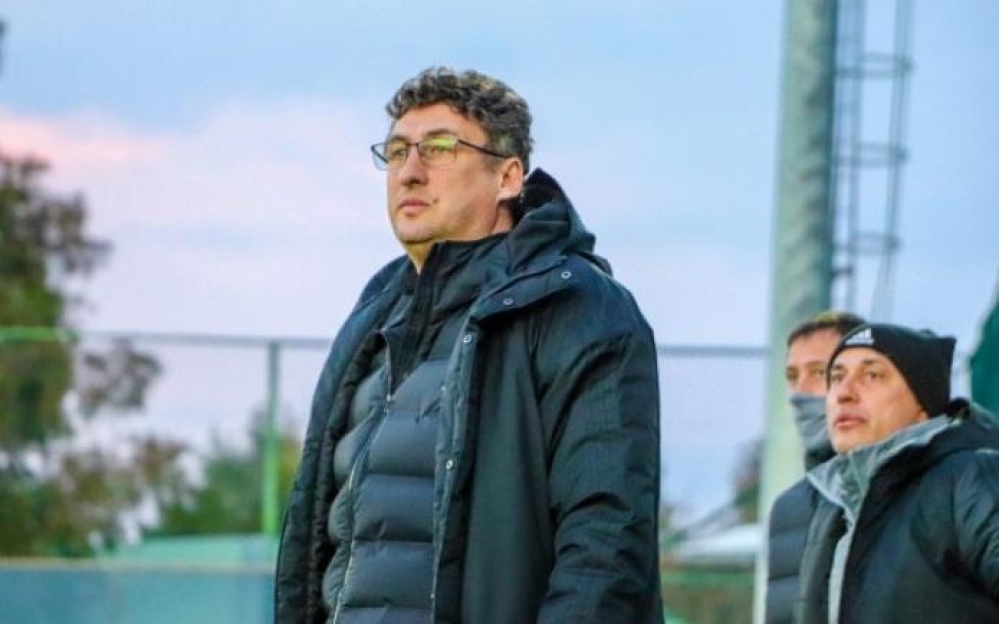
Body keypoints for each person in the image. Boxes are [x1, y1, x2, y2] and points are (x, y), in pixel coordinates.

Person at [274, 67, 664, 624]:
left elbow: (605, 544)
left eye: (439, 149)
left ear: (507, 176)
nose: (410, 172)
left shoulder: (580, 309)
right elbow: (313, 542)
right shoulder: (372, 316)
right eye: (397, 151)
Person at [796, 322, 998, 623]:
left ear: (923, 406)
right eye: (836, 377)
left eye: (872, 375)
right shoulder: (830, 504)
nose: (844, 393)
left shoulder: (969, 477)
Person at [764, 311, 864, 624]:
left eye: (819, 373)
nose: (800, 392)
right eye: (793, 376)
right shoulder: (790, 507)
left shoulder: (922, 490)